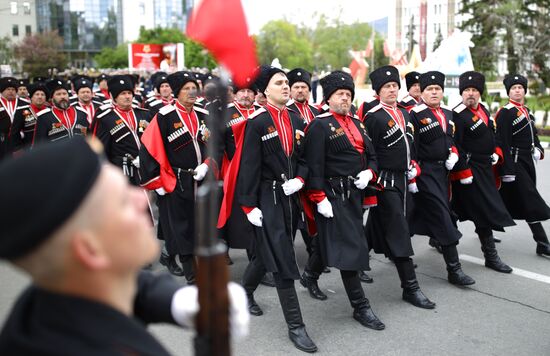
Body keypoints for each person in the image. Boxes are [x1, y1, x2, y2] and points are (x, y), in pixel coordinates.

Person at [0, 137, 249, 354]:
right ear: (90, 250)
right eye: (121, 200)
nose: (142, 198)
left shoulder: (57, 294)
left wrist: (176, 301)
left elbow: (115, 286)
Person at [235, 65, 317, 353]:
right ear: (265, 90)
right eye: (279, 83)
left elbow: (305, 158)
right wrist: (248, 206)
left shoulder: (296, 119)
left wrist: (300, 179)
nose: (286, 86)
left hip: (291, 197)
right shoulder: (256, 123)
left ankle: (243, 292)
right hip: (267, 198)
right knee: (283, 257)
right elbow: (247, 167)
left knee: (266, 252)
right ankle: (296, 326)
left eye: (287, 82)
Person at [303, 70, 385, 330]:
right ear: (328, 98)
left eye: (348, 95)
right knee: (351, 248)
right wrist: (319, 198)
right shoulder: (319, 125)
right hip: (332, 195)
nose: (345, 99)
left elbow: (373, 156)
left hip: (355, 193)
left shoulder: (358, 123)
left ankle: (310, 274)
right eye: (340, 95)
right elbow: (313, 165)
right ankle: (360, 306)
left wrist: (368, 172)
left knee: (328, 240)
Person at [364, 65, 436, 309]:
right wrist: (373, 178)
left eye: (394, 86)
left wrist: (413, 165)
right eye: (387, 87)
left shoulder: (405, 114)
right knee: (399, 230)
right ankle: (411, 287)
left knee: (374, 228)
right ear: (378, 91)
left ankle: (315, 269)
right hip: (385, 182)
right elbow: (368, 151)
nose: (392, 90)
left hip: (405, 180)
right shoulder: (374, 116)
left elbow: (411, 146)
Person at [139, 71, 214, 284]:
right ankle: (192, 276)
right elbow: (148, 149)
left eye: (194, 87)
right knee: (182, 229)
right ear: (176, 92)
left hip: (201, 181)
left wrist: (207, 165)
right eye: (186, 88)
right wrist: (157, 181)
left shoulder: (202, 114)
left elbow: (214, 145)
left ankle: (192, 263)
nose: (192, 92)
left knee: (200, 227)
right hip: (176, 181)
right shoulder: (164, 116)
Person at [408, 71, 475, 286]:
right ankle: (454, 270)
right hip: (425, 173)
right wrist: (413, 172)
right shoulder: (415, 115)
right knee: (442, 217)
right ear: (423, 93)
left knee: (416, 217)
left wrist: (454, 151)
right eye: (430, 89)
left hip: (443, 173)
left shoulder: (447, 113)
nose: (434, 92)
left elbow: (450, 138)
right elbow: (413, 147)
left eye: (438, 89)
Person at [451, 71, 515, 273]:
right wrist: (463, 171)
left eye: (475, 90)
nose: (471, 94)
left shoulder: (484, 110)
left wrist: (496, 152)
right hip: (470, 170)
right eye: (467, 90)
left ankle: (439, 236)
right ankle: (491, 256)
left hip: (486, 167)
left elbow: (493, 134)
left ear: (479, 93)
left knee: (460, 207)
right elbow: (455, 145)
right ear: (462, 93)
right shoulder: (457, 115)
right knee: (481, 210)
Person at [495, 74, 550, 256]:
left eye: (520, 87)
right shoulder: (505, 112)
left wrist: (538, 149)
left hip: (527, 162)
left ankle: (484, 225)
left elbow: (533, 134)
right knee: (529, 199)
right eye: (514, 88)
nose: (517, 90)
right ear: (508, 92)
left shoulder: (526, 110)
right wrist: (507, 169)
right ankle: (542, 242)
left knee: (499, 199)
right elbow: (502, 141)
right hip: (515, 162)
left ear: (524, 90)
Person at [92, 75, 152, 186]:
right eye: (123, 94)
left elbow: (154, 142)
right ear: (114, 97)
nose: (127, 97)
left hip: (146, 168)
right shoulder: (106, 118)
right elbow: (102, 150)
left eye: (129, 93)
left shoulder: (144, 113)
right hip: (122, 171)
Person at [32, 79, 89, 144]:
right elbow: (39, 143)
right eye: (58, 94)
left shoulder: (81, 113)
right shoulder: (44, 117)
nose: (62, 97)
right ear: (52, 98)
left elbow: (88, 137)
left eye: (64, 94)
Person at [10, 82, 49, 152]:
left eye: (42, 95)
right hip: (28, 150)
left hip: (47, 148)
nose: (40, 97)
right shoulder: (21, 111)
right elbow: (14, 133)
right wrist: (18, 149)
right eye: (37, 94)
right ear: (31, 97)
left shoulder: (49, 111)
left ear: (45, 98)